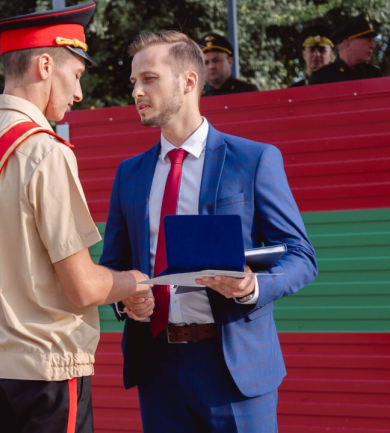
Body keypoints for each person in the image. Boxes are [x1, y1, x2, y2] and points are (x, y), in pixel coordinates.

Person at [0, 3, 151, 431]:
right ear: (44, 65)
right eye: (76, 74)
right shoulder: (44, 151)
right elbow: (81, 286)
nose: (79, 93)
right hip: (48, 372)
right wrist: (133, 282)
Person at [99, 31, 318, 432]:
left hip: (235, 369)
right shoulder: (129, 174)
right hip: (157, 368)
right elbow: (113, 263)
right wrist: (125, 299)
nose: (136, 92)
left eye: (149, 79)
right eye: (133, 82)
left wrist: (253, 287)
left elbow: (301, 256)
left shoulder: (253, 159)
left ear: (188, 82)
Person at [310, 13, 382, 85]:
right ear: (347, 45)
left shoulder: (373, 75)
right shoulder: (321, 78)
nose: (372, 46)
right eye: (368, 40)